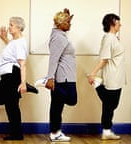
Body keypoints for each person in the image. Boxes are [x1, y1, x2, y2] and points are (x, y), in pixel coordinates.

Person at [0, 16, 38, 141]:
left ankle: (17, 134)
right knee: (9, 104)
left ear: (19, 27)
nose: (9, 27)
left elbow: (22, 64)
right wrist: (4, 38)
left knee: (11, 105)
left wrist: (23, 82)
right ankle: (16, 134)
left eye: (11, 25)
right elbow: (12, 49)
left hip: (11, 75)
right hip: (9, 75)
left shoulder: (19, 43)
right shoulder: (15, 42)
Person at [88, 13, 125, 140]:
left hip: (117, 75)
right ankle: (106, 130)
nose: (120, 24)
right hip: (112, 76)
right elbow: (104, 59)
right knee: (110, 104)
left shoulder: (113, 38)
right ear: (112, 24)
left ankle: (107, 130)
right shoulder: (109, 38)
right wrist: (93, 73)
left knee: (111, 104)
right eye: (118, 22)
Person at [44, 8, 77, 142]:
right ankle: (54, 132)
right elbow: (54, 59)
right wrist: (50, 78)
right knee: (69, 100)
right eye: (68, 22)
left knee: (58, 105)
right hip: (63, 77)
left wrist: (68, 17)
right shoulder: (58, 37)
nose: (70, 24)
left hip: (67, 76)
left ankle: (55, 132)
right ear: (60, 24)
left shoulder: (60, 34)